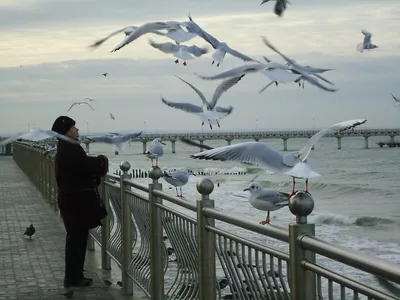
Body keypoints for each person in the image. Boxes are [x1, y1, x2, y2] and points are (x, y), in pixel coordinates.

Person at [51, 116, 109, 288]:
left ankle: (74, 275)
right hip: (76, 203)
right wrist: (101, 161)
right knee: (77, 240)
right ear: (67, 131)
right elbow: (87, 166)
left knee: (75, 239)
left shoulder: (65, 148)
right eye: (74, 128)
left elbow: (81, 168)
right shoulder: (70, 149)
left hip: (71, 202)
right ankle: (73, 278)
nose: (77, 130)